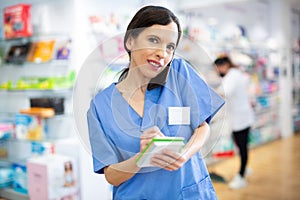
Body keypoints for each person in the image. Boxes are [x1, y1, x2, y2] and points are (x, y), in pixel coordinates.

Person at [87, 5, 225, 199]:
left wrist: (184, 155)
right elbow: (111, 175)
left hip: (189, 192)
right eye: (154, 40)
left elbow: (202, 127)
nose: (163, 53)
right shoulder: (100, 107)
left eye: (170, 47)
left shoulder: (178, 74)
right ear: (130, 41)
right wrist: (142, 157)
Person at [214, 55, 255, 189]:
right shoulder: (234, 74)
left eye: (217, 68)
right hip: (240, 116)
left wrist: (205, 91)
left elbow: (223, 92)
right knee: (240, 145)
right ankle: (245, 167)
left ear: (223, 66)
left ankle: (241, 176)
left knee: (242, 147)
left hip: (241, 117)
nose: (217, 71)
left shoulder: (232, 75)